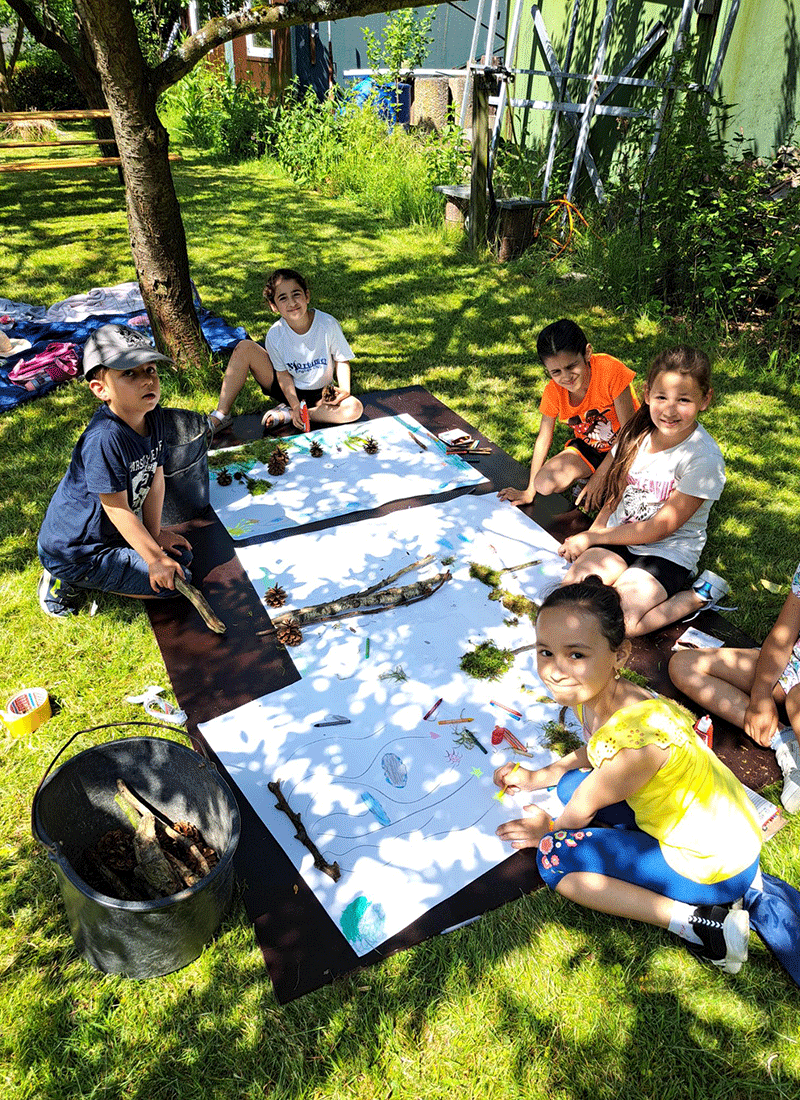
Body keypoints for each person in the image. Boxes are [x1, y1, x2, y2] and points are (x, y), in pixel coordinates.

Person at [493, 578, 764, 975]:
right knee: (568, 784)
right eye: (546, 651)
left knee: (556, 859)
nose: (555, 670)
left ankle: (702, 925)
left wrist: (546, 831)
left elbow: (584, 806)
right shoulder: (605, 697)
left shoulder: (636, 745)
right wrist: (540, 777)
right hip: (718, 830)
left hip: (716, 868)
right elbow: (595, 751)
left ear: (620, 654)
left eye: (577, 654)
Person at [556, 346, 727, 637]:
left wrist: (592, 536)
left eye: (683, 400)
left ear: (705, 399)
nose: (670, 410)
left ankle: (697, 596)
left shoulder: (704, 459)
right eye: (661, 397)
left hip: (667, 552)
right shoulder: (635, 434)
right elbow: (615, 496)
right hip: (619, 535)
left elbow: (658, 530)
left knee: (618, 624)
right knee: (570, 597)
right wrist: (593, 539)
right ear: (647, 394)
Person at [37, 323, 193, 618]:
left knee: (183, 558)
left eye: (150, 370)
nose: (147, 381)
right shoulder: (104, 438)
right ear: (100, 389)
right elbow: (116, 508)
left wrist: (155, 534)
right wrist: (154, 559)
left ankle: (125, 556)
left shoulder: (153, 415)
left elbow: (155, 478)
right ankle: (65, 577)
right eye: (129, 373)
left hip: (112, 535)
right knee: (175, 582)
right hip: (77, 551)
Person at [669, 564, 800, 813]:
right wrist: (761, 695)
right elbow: (783, 636)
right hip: (792, 665)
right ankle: (783, 739)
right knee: (684, 666)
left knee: (797, 700)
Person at [498, 319, 637, 513]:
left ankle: (604, 479)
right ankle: (593, 476)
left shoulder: (610, 371)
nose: (566, 377)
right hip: (592, 447)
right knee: (544, 484)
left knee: (620, 505)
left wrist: (600, 477)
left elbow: (629, 433)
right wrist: (530, 490)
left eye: (572, 366)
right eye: (556, 372)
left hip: (630, 447)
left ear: (587, 353)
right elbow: (544, 437)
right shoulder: (553, 391)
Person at [209, 268, 363, 434]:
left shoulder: (328, 324)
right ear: (273, 306)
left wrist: (345, 390)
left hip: (321, 395)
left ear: (307, 296)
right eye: (283, 298)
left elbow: (342, 360)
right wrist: (295, 403)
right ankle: (221, 415)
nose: (292, 303)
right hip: (286, 390)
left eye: (296, 294)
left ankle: (292, 415)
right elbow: (282, 375)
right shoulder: (275, 334)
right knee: (244, 347)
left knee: (354, 408)